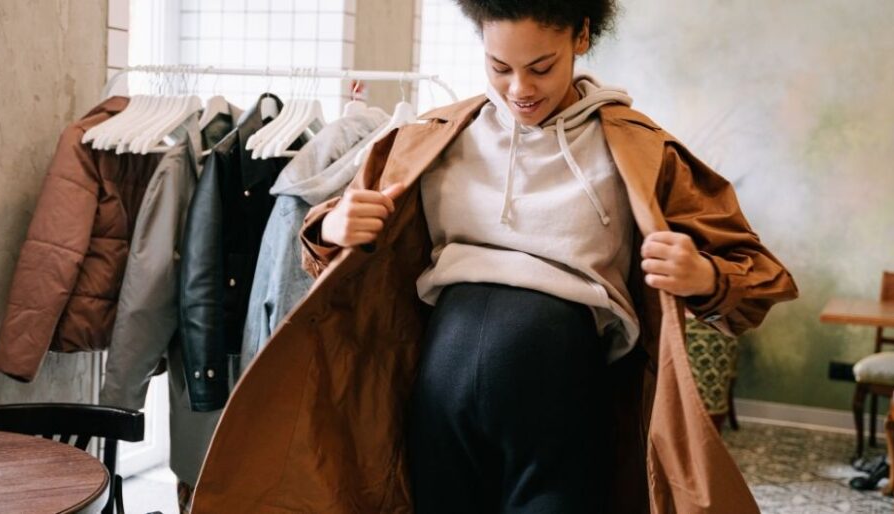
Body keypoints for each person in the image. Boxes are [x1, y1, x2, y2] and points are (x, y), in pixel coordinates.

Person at [192, 1, 798, 512]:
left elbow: (760, 279)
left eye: (542, 67)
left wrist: (704, 276)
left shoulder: (639, 150)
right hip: (439, 384)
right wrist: (333, 225)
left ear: (582, 37)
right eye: (499, 66)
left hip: (560, 384)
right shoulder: (434, 135)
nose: (519, 89)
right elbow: (336, 247)